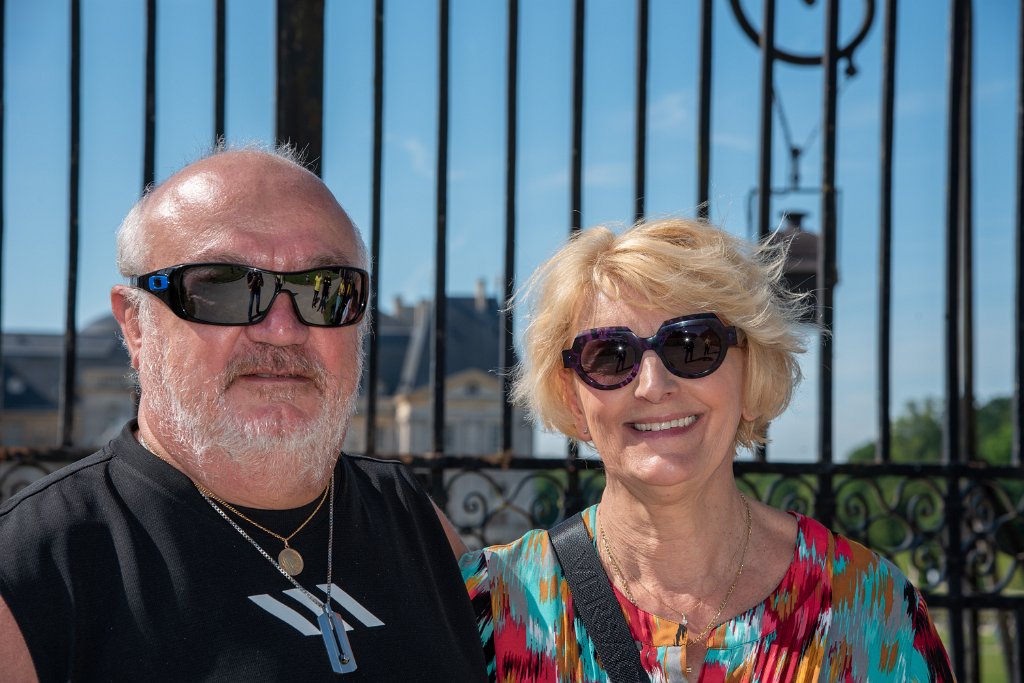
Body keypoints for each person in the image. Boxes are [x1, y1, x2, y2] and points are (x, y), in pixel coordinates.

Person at [0, 146, 487, 682]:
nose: (282, 329)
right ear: (136, 325)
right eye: (223, 288)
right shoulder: (32, 569)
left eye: (324, 290)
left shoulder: (415, 522)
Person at [460, 217, 954, 682]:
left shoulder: (872, 608)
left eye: (692, 345)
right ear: (573, 399)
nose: (653, 386)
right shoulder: (491, 605)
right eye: (610, 356)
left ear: (751, 373)